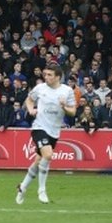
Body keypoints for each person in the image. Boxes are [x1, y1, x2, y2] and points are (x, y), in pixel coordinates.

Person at [16, 64, 76, 204]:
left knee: (38, 161)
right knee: (48, 155)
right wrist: (31, 110)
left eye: (50, 75)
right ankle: (42, 190)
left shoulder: (67, 91)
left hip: (54, 130)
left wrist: (63, 107)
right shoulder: (40, 88)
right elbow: (29, 100)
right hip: (39, 127)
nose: (46, 77)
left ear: (58, 77)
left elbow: (72, 111)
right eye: (45, 74)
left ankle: (22, 188)